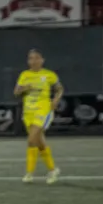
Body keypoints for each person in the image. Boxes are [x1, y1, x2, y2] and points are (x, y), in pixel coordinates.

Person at [14, 49, 64, 184]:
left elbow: (59, 89)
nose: (33, 61)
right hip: (28, 112)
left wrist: (55, 100)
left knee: (31, 140)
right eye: (31, 58)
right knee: (39, 142)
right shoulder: (24, 75)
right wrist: (24, 88)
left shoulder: (49, 75)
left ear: (42, 60)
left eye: (36, 58)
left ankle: (29, 173)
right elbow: (16, 92)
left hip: (43, 111)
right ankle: (53, 170)